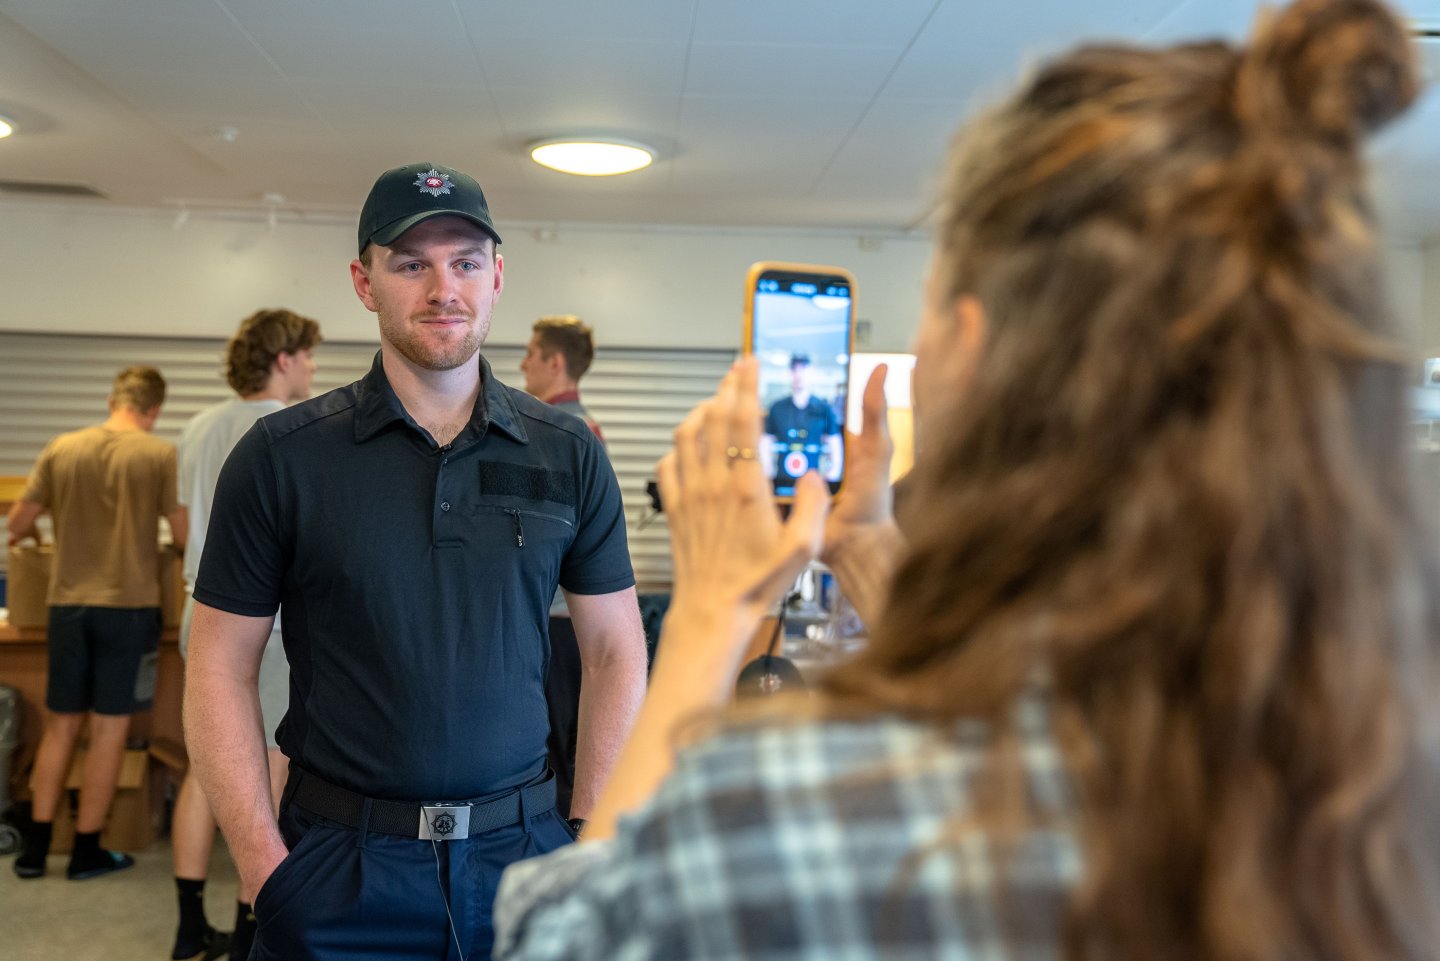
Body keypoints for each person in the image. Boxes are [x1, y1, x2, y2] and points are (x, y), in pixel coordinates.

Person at [491, 1, 1440, 959]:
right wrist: (869, 546)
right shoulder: (1379, 777)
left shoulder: (792, 815)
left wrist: (710, 615)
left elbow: (564, 936)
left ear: (972, 351)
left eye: (932, 303)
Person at [183, 162, 648, 961]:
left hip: (525, 860)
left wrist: (593, 834)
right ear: (364, 282)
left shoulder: (567, 452)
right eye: (411, 264)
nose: (443, 289)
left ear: (496, 276)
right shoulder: (282, 457)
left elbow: (615, 649)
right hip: (338, 869)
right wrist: (263, 865)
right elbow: (218, 663)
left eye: (465, 261)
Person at [170, 308, 321, 961]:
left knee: (207, 765)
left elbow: (182, 528)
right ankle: (246, 933)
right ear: (284, 359)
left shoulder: (197, 427)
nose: (312, 368)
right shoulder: (290, 430)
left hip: (199, 610)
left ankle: (187, 927)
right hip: (267, 621)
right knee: (265, 770)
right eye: (307, 355)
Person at [7, 366, 186, 881]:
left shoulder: (63, 448)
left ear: (113, 401)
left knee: (61, 725)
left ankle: (35, 851)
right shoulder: (157, 453)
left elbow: (18, 524)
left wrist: (40, 538)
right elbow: (180, 535)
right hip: (129, 608)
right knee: (110, 729)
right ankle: (87, 851)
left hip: (67, 606)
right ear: (154, 409)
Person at [519, 314, 608, 820]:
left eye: (531, 353)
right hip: (561, 621)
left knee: (554, 755)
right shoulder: (578, 430)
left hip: (557, 621)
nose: (523, 364)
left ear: (555, 362)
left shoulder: (562, 435)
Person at [761, 352, 842, 485]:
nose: (799, 375)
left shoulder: (823, 409)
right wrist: (766, 473)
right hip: (782, 483)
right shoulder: (777, 408)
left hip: (813, 484)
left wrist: (832, 477)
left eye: (803, 369)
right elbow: (766, 442)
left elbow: (834, 444)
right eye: (795, 370)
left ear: (810, 372)